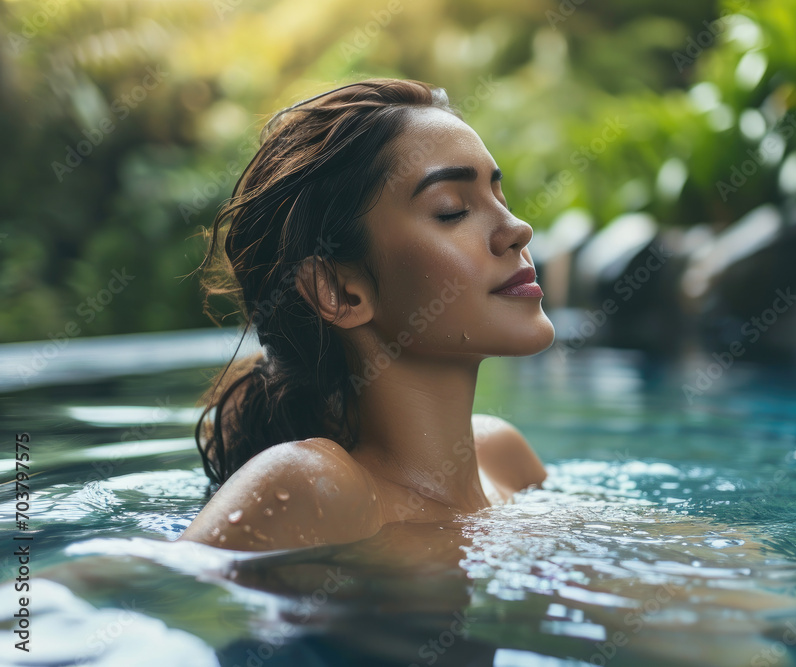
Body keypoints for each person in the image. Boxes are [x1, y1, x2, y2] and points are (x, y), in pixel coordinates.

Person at [177, 78, 555, 552]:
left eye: (501, 200)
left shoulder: (506, 462)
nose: (518, 229)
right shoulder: (315, 484)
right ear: (339, 292)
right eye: (451, 210)